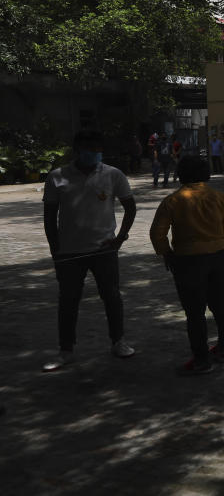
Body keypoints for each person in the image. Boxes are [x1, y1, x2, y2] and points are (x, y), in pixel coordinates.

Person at [42, 129, 138, 371]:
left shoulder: (113, 175)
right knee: (68, 301)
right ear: (77, 151)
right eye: (89, 150)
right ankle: (66, 350)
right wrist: (56, 250)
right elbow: (49, 217)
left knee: (112, 297)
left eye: (98, 150)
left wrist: (119, 238)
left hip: (103, 249)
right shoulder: (57, 177)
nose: (94, 154)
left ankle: (119, 341)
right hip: (69, 252)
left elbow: (130, 207)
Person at [149, 155, 224, 376]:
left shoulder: (173, 200)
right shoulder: (220, 197)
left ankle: (201, 359)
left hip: (189, 260)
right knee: (220, 304)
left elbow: (157, 233)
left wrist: (167, 253)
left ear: (181, 174)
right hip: (219, 256)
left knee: (194, 312)